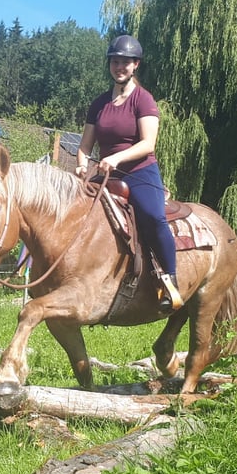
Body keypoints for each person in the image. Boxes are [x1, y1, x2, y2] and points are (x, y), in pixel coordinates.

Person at [75, 35, 182, 312]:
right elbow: (85, 146)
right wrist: (81, 164)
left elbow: (148, 144)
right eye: (115, 61)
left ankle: (170, 283)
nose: (119, 66)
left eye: (125, 62)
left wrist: (115, 157)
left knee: (152, 216)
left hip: (139, 171)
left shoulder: (143, 100)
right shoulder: (99, 104)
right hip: (106, 173)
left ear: (135, 65)